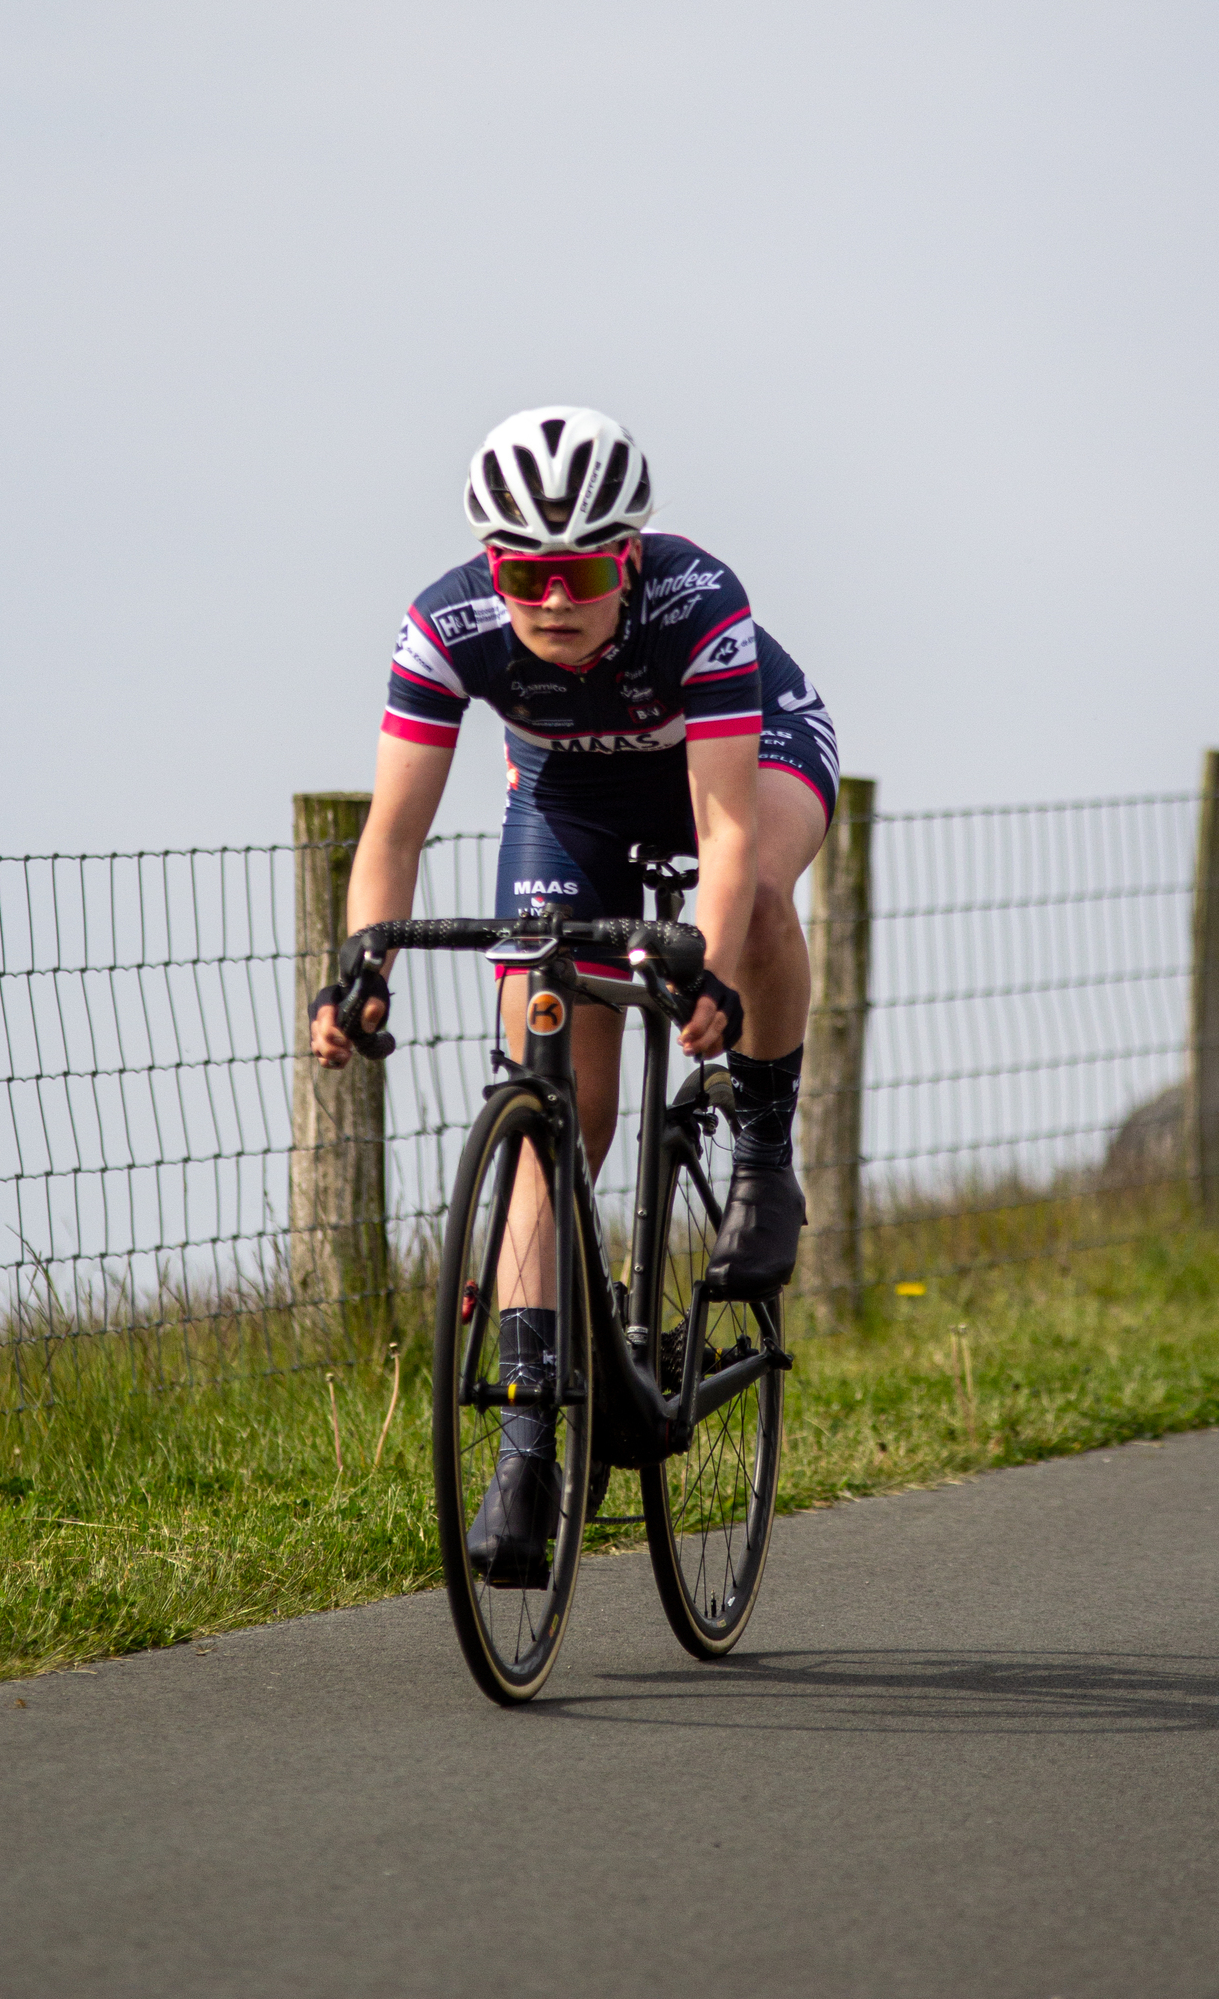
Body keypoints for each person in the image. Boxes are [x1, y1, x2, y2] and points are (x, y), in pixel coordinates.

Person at [309, 405, 837, 1580]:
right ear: (490, 568)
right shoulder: (444, 626)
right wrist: (362, 964)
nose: (552, 599)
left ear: (629, 558)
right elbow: (391, 834)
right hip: (569, 801)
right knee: (553, 1115)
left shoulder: (698, 601)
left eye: (583, 570)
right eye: (524, 574)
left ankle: (761, 1143)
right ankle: (529, 1441)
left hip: (740, 764)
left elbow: (727, 826)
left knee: (745, 906)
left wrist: (700, 957)